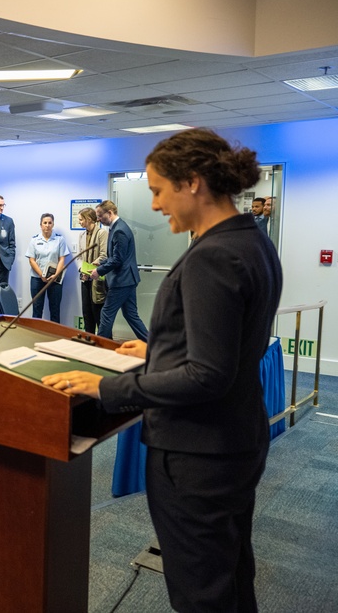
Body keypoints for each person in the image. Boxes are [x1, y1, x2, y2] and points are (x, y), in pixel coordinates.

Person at [43, 128, 282, 613]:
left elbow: (207, 375)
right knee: (231, 574)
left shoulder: (213, 256)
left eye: (157, 190)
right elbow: (229, 348)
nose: (154, 205)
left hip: (198, 451)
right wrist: (158, 351)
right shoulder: (251, 241)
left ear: (192, 182)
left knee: (201, 592)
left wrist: (108, 388)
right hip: (234, 438)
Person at [91, 200, 149, 340]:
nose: (98, 219)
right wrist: (100, 265)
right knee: (131, 315)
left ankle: (100, 345)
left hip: (122, 280)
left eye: (100, 216)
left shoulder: (119, 230)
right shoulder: (117, 227)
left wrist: (99, 271)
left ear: (110, 213)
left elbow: (118, 260)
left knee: (106, 313)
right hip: (127, 279)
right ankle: (151, 345)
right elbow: (115, 256)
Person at [25, 213, 71, 323]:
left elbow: (62, 259)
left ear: (53, 224)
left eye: (50, 223)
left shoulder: (59, 239)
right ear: (40, 225)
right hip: (37, 278)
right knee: (37, 308)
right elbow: (31, 260)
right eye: (45, 223)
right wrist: (41, 275)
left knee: (55, 309)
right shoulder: (34, 240)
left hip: (54, 279)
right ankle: (35, 331)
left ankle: (54, 333)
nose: (47, 225)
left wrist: (56, 275)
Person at [77, 208, 109, 334]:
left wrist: (90, 269)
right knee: (87, 313)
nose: (79, 222)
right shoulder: (81, 235)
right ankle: (88, 339)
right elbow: (79, 257)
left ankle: (103, 341)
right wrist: (82, 269)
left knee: (98, 313)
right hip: (85, 279)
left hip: (97, 279)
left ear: (89, 219)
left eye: (81, 219)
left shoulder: (102, 233)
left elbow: (104, 255)